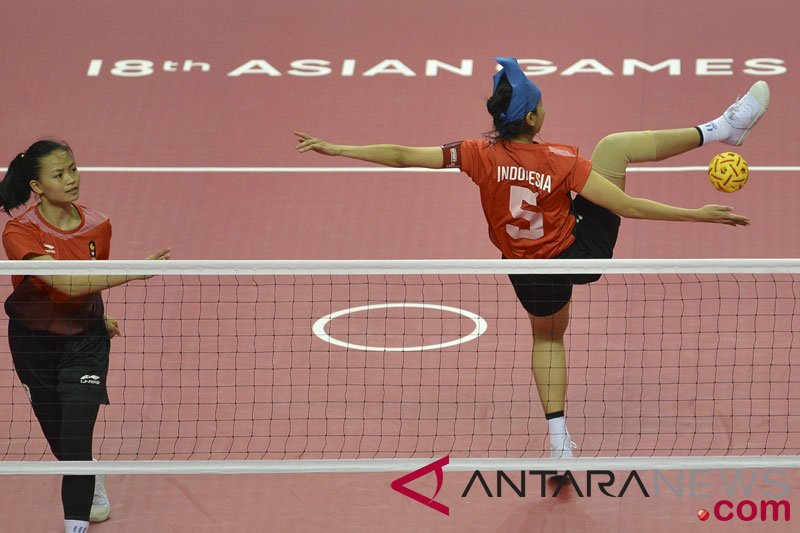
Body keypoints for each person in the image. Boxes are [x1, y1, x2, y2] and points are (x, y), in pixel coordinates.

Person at [293, 57, 770, 459]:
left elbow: (401, 155)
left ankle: (559, 440)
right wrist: (700, 215)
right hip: (582, 254)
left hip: (525, 267)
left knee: (548, 339)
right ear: (534, 119)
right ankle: (720, 130)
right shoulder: (561, 160)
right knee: (614, 147)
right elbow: (624, 207)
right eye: (541, 103)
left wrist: (338, 148)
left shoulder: (476, 153)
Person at [0, 139, 170, 533]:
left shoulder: (98, 224)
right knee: (64, 444)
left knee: (75, 440)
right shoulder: (19, 231)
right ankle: (90, 476)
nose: (71, 179)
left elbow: (89, 284)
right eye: (59, 175)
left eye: (73, 169)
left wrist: (100, 316)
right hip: (33, 344)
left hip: (84, 342)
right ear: (37, 186)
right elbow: (67, 283)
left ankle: (74, 523)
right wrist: (133, 271)